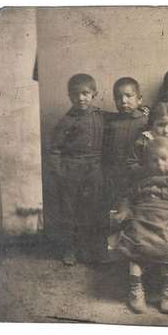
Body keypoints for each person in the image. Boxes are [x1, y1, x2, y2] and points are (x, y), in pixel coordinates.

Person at [115, 138, 168, 315]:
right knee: (135, 243)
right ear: (146, 162)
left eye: (163, 158)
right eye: (153, 160)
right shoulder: (142, 180)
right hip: (142, 217)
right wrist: (123, 212)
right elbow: (127, 198)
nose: (159, 163)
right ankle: (136, 289)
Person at [49, 73, 107, 266]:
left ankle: (90, 249)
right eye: (76, 94)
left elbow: (117, 119)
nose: (81, 98)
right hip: (72, 169)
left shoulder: (100, 115)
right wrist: (60, 173)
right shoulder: (67, 121)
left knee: (93, 208)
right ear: (70, 97)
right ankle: (70, 248)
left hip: (95, 169)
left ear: (94, 94)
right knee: (70, 210)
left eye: (85, 93)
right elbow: (55, 149)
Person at [103, 77, 148, 207]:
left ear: (139, 99)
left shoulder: (146, 121)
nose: (123, 101)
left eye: (128, 96)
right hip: (116, 174)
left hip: (138, 174)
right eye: (118, 97)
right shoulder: (111, 123)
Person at [127, 102, 168, 176]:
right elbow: (131, 164)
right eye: (161, 125)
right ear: (152, 124)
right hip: (145, 179)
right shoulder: (143, 142)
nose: (166, 130)